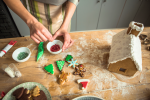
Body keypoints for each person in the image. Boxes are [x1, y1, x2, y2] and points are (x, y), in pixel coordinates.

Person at [3, 0, 79, 51]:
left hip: (65, 10)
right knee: (42, 43)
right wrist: (32, 22)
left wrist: (65, 26)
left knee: (63, 40)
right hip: (34, 9)